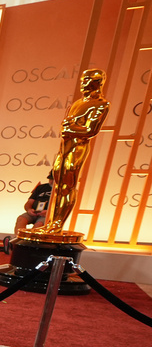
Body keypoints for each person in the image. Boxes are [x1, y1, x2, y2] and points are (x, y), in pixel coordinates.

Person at [33, 68, 111, 235]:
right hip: (64, 148)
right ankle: (52, 223)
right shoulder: (78, 103)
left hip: (78, 148)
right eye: (82, 80)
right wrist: (68, 129)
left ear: (97, 82)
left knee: (68, 187)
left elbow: (91, 130)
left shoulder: (101, 104)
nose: (83, 84)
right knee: (58, 186)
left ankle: (58, 224)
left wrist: (71, 128)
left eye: (87, 80)